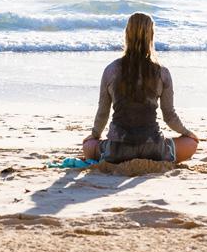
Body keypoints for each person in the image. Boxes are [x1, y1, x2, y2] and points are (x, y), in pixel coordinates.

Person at [83, 12, 198, 164]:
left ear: (127, 34)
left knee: (88, 145)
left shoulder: (111, 70)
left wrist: (94, 135)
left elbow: (103, 113)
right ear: (151, 35)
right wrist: (187, 132)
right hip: (153, 148)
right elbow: (169, 116)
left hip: (117, 150)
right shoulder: (162, 72)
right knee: (191, 143)